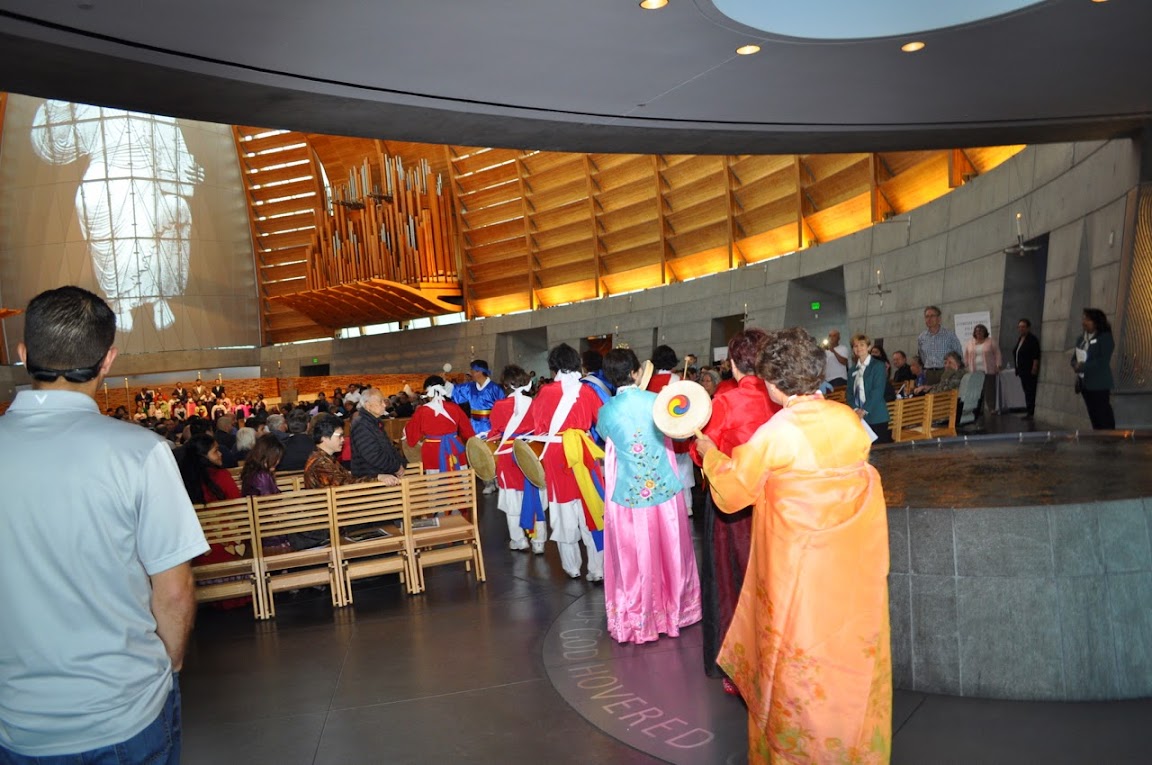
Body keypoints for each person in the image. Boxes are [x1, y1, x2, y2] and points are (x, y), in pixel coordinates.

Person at [0, 286, 208, 762]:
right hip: (124, 708)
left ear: (24, 354)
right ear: (107, 360)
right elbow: (173, 591)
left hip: (16, 718)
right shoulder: (140, 452)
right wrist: (168, 667)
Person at [697, 326, 891, 765]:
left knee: (797, 664)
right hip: (850, 572)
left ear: (771, 381)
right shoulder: (850, 422)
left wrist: (710, 452)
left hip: (798, 575)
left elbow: (732, 493)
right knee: (850, 660)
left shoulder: (775, 434)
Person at [688, 329, 780, 688]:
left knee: (733, 584)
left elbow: (703, 450)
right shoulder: (781, 398)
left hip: (734, 509)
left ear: (731, 363)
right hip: (777, 501)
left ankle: (740, 667)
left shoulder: (725, 401)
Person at [597, 348, 702, 644]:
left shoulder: (605, 412)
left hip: (628, 495)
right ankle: (677, 610)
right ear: (635, 372)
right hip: (665, 491)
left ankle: (640, 616)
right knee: (671, 551)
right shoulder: (656, 402)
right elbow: (677, 431)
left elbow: (607, 439)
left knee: (636, 559)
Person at [527, 343, 605, 580]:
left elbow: (537, 426)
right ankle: (597, 569)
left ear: (553, 367)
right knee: (591, 508)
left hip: (556, 453)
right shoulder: (588, 391)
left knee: (563, 510)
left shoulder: (545, 392)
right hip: (582, 451)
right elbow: (600, 422)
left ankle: (571, 567)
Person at [488, 365, 548, 553]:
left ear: (505, 384)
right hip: (531, 452)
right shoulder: (535, 403)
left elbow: (495, 431)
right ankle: (538, 542)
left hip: (507, 454)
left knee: (512, 498)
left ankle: (519, 539)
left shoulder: (499, 406)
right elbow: (543, 428)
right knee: (535, 494)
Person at [646, 344, 695, 516]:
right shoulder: (679, 381)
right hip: (677, 431)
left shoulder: (648, 382)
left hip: (656, 433)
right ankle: (687, 506)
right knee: (683, 470)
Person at [453, 359, 506, 494]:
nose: (471, 373)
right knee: (479, 454)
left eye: (473, 371)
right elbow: (455, 392)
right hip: (475, 425)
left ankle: (499, 479)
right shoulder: (470, 387)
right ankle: (487, 482)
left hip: (491, 424)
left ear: (480, 372)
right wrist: (444, 385)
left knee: (494, 452)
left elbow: (503, 408)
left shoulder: (495, 388)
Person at [403, 377, 474, 473]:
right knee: (459, 477)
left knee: (435, 481)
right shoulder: (455, 407)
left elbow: (411, 436)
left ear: (428, 392)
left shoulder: (422, 411)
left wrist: (406, 428)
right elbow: (468, 431)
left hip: (433, 450)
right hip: (454, 448)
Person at [1072, 307, 1115, 430]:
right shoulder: (1081, 339)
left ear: (1096, 322)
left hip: (1099, 383)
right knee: (1094, 415)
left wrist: (1083, 366)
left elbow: (1103, 361)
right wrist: (1075, 364)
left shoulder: (1105, 337)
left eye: (1087, 319)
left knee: (1103, 415)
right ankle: (1099, 440)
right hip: (1085, 385)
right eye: (1083, 318)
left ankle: (1110, 441)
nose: (1083, 322)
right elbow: (1074, 357)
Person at [351, 388, 406, 481]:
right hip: (372, 478)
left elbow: (389, 447)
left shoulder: (373, 422)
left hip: (383, 474)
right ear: (368, 405)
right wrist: (396, 467)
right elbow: (373, 455)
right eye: (381, 402)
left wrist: (400, 463)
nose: (384, 405)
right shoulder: (361, 424)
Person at [849, 333, 893, 443]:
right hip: (859, 417)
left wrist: (863, 411)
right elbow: (849, 393)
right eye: (855, 346)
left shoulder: (877, 366)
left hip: (876, 416)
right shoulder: (852, 369)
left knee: (879, 453)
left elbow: (877, 391)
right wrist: (855, 410)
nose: (858, 348)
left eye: (862, 345)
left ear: (868, 347)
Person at [917, 305, 964, 385]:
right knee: (930, 396)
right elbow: (923, 357)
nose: (929, 319)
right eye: (927, 316)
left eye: (932, 316)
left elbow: (958, 354)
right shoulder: (921, 337)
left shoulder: (949, 335)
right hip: (929, 373)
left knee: (945, 396)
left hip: (946, 371)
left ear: (939, 319)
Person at [964, 323, 1002, 416]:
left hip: (988, 370)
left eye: (981, 331)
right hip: (975, 371)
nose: (979, 333)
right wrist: (965, 366)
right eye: (977, 331)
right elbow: (966, 355)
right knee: (977, 391)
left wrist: (998, 365)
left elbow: (997, 353)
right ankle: (978, 409)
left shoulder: (990, 341)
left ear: (985, 332)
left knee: (989, 390)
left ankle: (991, 408)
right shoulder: (970, 342)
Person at [1014, 318, 1041, 419]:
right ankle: (1029, 410)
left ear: (1028, 328)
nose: (1021, 329)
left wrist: (1034, 367)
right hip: (1022, 370)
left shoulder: (1032, 340)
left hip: (1029, 370)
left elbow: (1035, 355)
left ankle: (1031, 412)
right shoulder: (1020, 339)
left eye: (1023, 327)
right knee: (1026, 391)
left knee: (1030, 391)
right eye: (1019, 327)